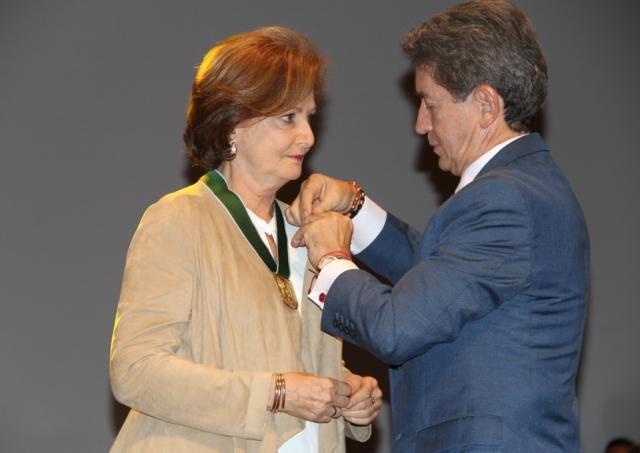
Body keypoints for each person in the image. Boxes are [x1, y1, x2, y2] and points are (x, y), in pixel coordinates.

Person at [288, 1, 590, 451]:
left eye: (430, 103)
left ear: (486, 104)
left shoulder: (506, 198)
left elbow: (397, 327)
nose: (420, 124)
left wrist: (332, 259)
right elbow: (438, 283)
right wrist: (354, 206)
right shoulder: (524, 189)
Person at [109, 26, 382, 452]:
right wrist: (275, 393)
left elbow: (289, 358)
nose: (308, 136)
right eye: (288, 118)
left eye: (309, 116)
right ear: (233, 123)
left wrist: (348, 390)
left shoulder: (304, 234)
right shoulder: (178, 220)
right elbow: (135, 370)